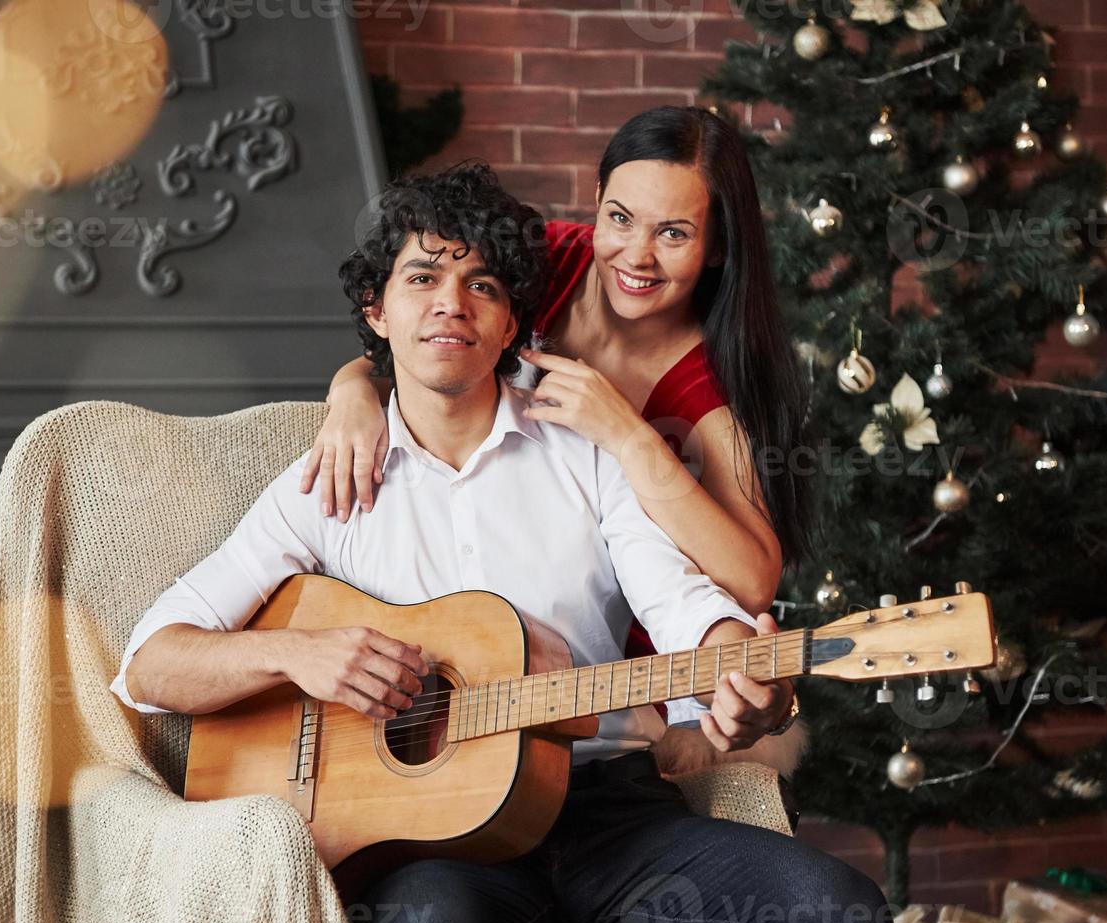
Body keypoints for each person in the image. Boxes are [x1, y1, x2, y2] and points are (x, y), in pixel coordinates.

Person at [111, 163, 896, 923]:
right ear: (376, 312)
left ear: (514, 320)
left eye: (481, 283)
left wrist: (747, 676)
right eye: (422, 277)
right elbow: (148, 663)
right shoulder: (326, 483)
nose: (451, 302)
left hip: (610, 820)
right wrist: (294, 655)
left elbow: (683, 602)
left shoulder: (588, 456)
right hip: (433, 852)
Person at [307, 110, 811, 751]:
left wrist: (628, 436)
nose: (637, 255)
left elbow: (754, 577)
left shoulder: (708, 390)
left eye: (675, 234)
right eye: (621, 218)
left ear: (716, 247)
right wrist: (352, 388)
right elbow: (425, 335)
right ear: (597, 202)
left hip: (607, 663)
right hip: (474, 615)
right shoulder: (547, 261)